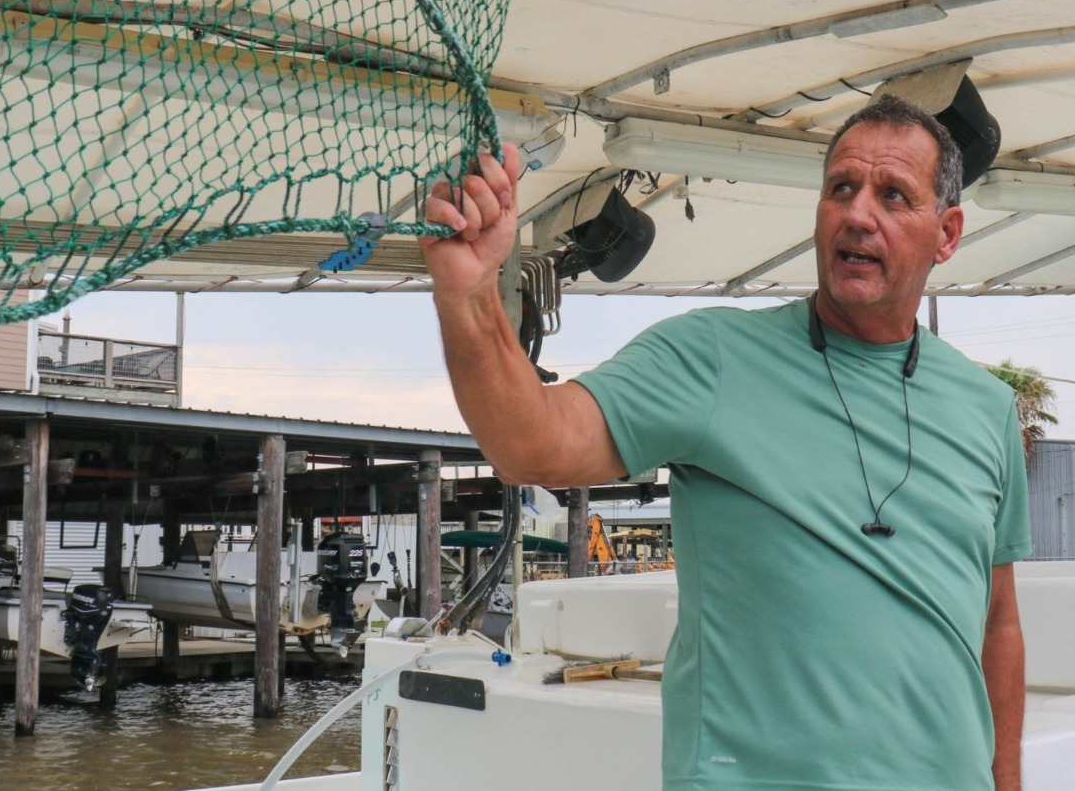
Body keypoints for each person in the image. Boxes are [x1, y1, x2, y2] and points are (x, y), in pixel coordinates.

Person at [421, 95, 1030, 791]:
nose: (858, 214)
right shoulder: (712, 359)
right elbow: (532, 444)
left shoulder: (988, 407)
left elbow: (999, 623)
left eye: (894, 196)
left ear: (946, 233)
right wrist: (469, 298)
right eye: (841, 189)